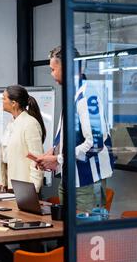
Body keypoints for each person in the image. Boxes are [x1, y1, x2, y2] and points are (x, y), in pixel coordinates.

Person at [36, 46, 115, 212]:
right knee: (67, 235)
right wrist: (53, 152)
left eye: (53, 69)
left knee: (86, 236)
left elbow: (94, 144)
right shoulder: (73, 93)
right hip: (70, 179)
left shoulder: (87, 97)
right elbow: (70, 135)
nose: (51, 75)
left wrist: (58, 159)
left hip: (86, 181)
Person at [0, 85, 46, 193]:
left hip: (26, 189)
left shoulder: (30, 123)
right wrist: (2, 181)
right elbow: (7, 156)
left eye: (4, 98)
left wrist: (34, 189)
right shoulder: (12, 123)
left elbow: (37, 159)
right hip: (10, 186)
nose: (1, 101)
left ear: (14, 103)